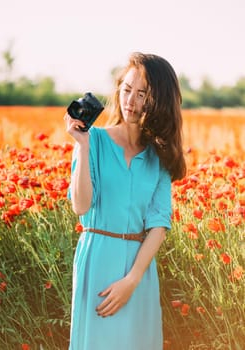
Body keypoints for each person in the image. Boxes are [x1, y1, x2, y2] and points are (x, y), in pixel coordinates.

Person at [64, 52, 186, 350]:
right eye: (127, 89)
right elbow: (81, 206)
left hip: (139, 271)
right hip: (97, 260)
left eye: (142, 94)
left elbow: (159, 224)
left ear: (158, 100)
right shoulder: (94, 141)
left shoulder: (159, 157)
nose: (131, 100)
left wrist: (132, 280)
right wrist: (82, 146)